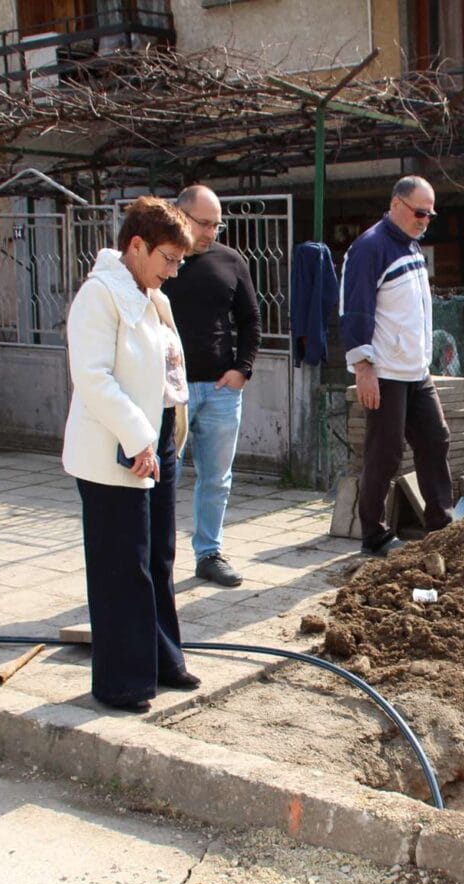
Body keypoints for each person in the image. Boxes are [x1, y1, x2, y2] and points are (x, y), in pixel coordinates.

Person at [61, 196, 201, 712]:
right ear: (136, 246)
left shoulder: (150, 293)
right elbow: (93, 378)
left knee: (158, 557)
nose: (173, 270)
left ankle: (163, 660)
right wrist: (138, 437)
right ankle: (122, 681)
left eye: (179, 261)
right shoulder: (100, 296)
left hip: (155, 441)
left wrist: (164, 434)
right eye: (168, 258)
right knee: (123, 566)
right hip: (115, 447)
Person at [340, 175, 451, 557]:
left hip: (416, 372)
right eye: (420, 212)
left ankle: (441, 526)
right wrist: (363, 367)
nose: (425, 220)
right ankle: (375, 534)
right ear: (397, 204)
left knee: (436, 440)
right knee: (385, 454)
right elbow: (355, 311)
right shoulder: (370, 248)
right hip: (385, 372)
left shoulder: (412, 247)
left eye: (430, 215)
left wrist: (423, 358)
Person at [162, 184, 261, 588]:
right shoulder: (162, 262)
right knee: (165, 476)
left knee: (217, 478)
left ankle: (209, 553)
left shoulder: (230, 261)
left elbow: (251, 320)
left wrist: (242, 370)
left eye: (216, 225)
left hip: (221, 389)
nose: (210, 233)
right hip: (171, 393)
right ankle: (158, 560)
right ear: (180, 216)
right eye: (203, 223)